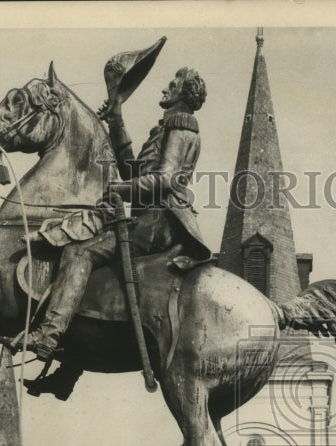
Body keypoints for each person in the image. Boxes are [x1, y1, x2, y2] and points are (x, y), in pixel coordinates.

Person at [22, 66, 211, 400]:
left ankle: (48, 337)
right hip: (152, 215)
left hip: (160, 220)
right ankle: (69, 370)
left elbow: (163, 180)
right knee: (100, 276)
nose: (166, 87)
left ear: (184, 93)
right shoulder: (168, 126)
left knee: (80, 252)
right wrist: (116, 120)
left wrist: (121, 190)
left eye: (173, 83)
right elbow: (136, 170)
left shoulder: (181, 126)